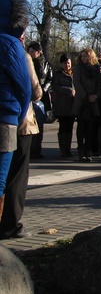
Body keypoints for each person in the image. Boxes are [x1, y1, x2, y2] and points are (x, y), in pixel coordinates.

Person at [0, 48, 42, 239]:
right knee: (17, 175)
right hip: (20, 121)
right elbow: (34, 90)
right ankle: (10, 224)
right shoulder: (20, 55)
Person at [0, 0, 32, 227]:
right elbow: (23, 86)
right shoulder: (11, 44)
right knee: (1, 178)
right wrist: (19, 114)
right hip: (5, 117)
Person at [71, 48, 101, 163]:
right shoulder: (78, 68)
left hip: (93, 101)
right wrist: (86, 96)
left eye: (86, 56)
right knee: (81, 128)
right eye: (82, 56)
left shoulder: (95, 68)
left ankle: (88, 152)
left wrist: (96, 95)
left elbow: (99, 84)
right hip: (82, 101)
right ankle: (81, 152)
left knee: (90, 129)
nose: (83, 58)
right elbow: (77, 84)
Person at [27, 41, 52, 159]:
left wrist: (43, 89)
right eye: (29, 51)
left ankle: (37, 149)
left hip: (42, 96)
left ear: (38, 52)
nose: (30, 53)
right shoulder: (27, 63)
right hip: (30, 96)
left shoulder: (46, 64)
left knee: (40, 124)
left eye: (33, 51)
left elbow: (49, 79)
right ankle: (31, 150)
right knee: (30, 124)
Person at [52, 54, 76, 158]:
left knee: (70, 127)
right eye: (65, 63)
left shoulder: (74, 74)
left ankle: (68, 149)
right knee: (63, 127)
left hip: (72, 105)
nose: (67, 65)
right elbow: (55, 87)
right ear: (61, 64)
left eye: (69, 63)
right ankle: (63, 149)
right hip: (62, 105)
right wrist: (68, 90)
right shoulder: (57, 74)